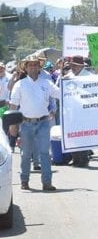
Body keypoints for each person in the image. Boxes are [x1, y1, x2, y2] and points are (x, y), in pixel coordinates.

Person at [9, 55, 61, 191]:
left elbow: (60, 94)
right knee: (26, 153)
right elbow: (13, 106)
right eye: (30, 65)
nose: (33, 67)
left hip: (43, 122)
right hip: (25, 123)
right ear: (25, 68)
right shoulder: (19, 85)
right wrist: (13, 126)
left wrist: (69, 83)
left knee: (45, 152)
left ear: (39, 67)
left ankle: (47, 182)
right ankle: (24, 180)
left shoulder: (46, 83)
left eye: (35, 65)